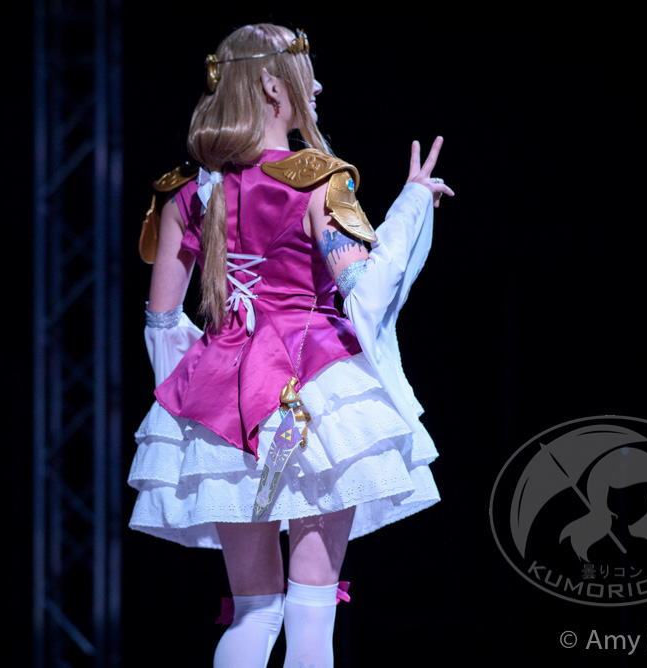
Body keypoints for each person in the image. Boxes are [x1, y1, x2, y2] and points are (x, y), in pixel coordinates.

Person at [128, 23, 454, 668]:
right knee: (311, 613)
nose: (319, 86)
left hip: (220, 401)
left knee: (254, 612)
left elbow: (162, 325)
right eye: (307, 74)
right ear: (274, 87)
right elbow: (368, 292)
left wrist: (198, 396)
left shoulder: (184, 191)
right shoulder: (316, 180)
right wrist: (413, 205)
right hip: (315, 390)